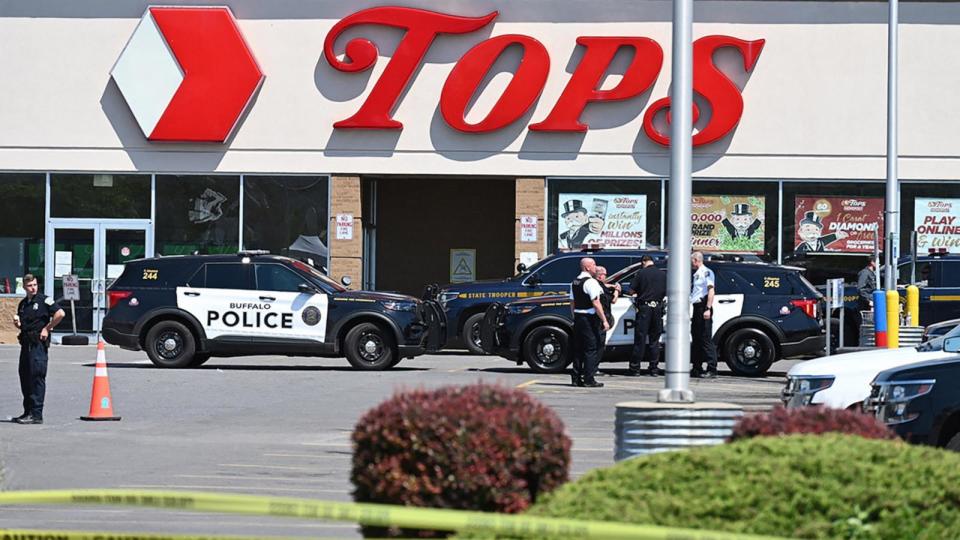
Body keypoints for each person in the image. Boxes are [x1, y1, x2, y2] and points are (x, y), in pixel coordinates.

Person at [11, 273, 64, 424]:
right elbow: (24, 324)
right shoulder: (23, 304)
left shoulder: (44, 300)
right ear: (24, 287)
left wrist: (47, 328)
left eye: (34, 285)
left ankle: (36, 414)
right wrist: (18, 325)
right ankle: (27, 411)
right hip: (26, 343)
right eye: (29, 285)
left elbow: (60, 313)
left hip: (38, 344)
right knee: (25, 376)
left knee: (36, 376)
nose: (33, 288)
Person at [570, 258, 609, 388]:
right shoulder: (591, 282)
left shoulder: (575, 281)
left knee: (578, 349)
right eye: (593, 265)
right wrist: (604, 320)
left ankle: (576, 378)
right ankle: (588, 378)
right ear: (587, 268)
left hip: (579, 317)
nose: (595, 267)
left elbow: (572, 302)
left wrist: (574, 316)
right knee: (591, 348)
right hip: (589, 318)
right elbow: (596, 303)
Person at [627, 255, 666, 376]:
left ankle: (635, 368)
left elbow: (631, 291)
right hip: (658, 308)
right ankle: (654, 368)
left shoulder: (641, 273)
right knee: (655, 340)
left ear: (643, 262)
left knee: (640, 338)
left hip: (644, 309)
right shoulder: (663, 274)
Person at [690, 252, 718, 379]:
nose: (691, 263)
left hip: (703, 307)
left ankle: (712, 368)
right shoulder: (696, 274)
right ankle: (697, 367)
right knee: (696, 339)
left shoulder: (706, 272)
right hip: (696, 308)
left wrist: (707, 308)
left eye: (692, 261)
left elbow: (711, 291)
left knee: (706, 339)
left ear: (696, 260)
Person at [595, 266, 620, 362]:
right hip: (601, 319)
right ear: (600, 276)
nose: (606, 277)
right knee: (600, 344)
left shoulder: (593, 284)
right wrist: (617, 290)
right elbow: (613, 300)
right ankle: (594, 368)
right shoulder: (602, 289)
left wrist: (611, 286)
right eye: (605, 275)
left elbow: (603, 285)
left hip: (592, 319)